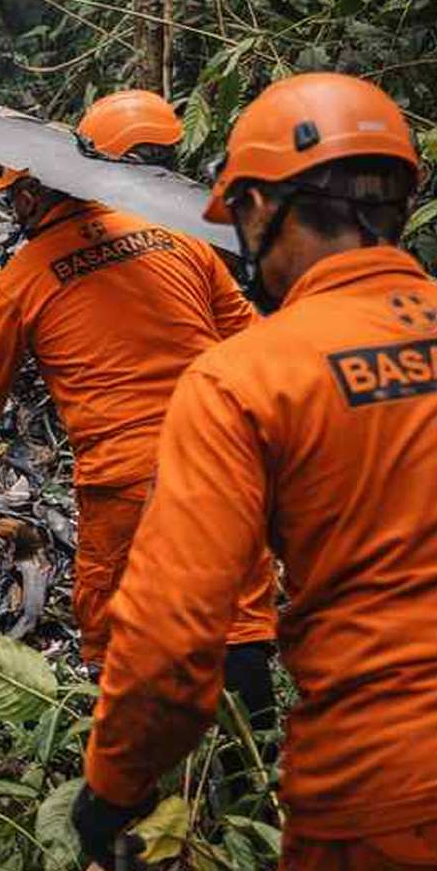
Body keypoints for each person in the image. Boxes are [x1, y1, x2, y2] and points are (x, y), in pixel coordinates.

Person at [75, 73, 435, 870]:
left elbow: (171, 637)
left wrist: (110, 791)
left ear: (265, 207)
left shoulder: (243, 379)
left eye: (238, 215)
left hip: (382, 789)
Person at [0, 89, 278, 684]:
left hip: (126, 477)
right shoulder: (175, 237)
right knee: (239, 617)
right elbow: (250, 340)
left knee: (116, 622)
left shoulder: (20, 281)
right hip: (221, 454)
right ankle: (247, 772)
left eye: (14, 201)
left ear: (29, 195)